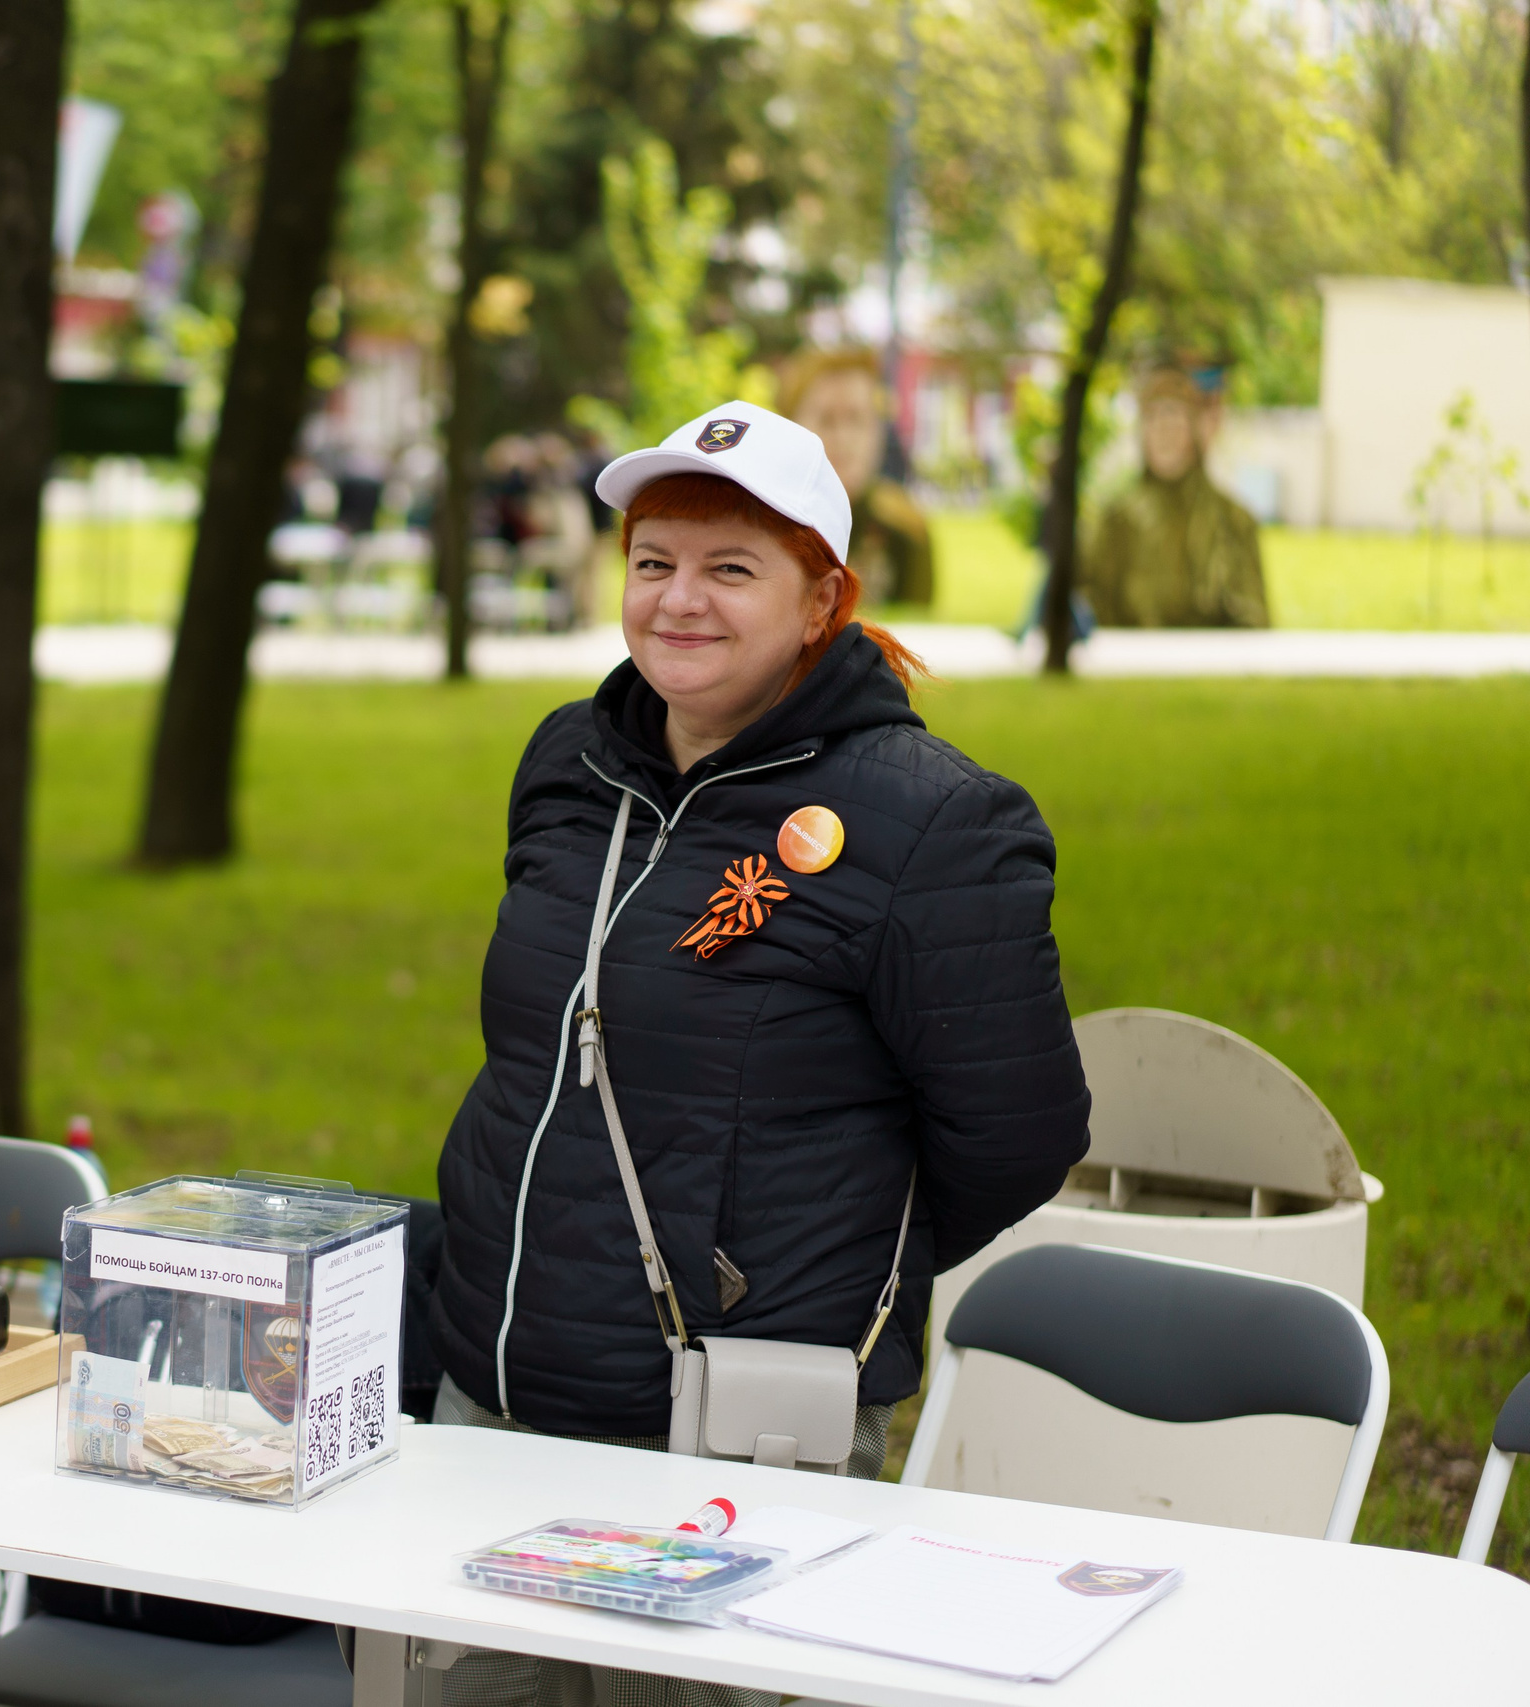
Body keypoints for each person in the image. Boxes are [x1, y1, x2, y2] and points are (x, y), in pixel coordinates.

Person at [429, 401, 1089, 1707]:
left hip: (724, 1431)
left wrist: (804, 1264)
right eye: (654, 560)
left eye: (731, 568)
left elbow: (1019, 1132)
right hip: (494, 1395)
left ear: (821, 598)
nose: (679, 600)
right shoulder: (568, 761)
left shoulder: (934, 821)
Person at [1084, 367, 1268, 628]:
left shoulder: (1232, 520)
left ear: (1194, 429)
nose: (1163, 430)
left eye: (1174, 415)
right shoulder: (1116, 521)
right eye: (1153, 417)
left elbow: (1253, 622)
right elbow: (1091, 615)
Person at [781, 349, 936, 608]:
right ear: (791, 426)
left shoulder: (905, 529)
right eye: (826, 419)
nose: (843, 438)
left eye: (856, 419)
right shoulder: (766, 524)